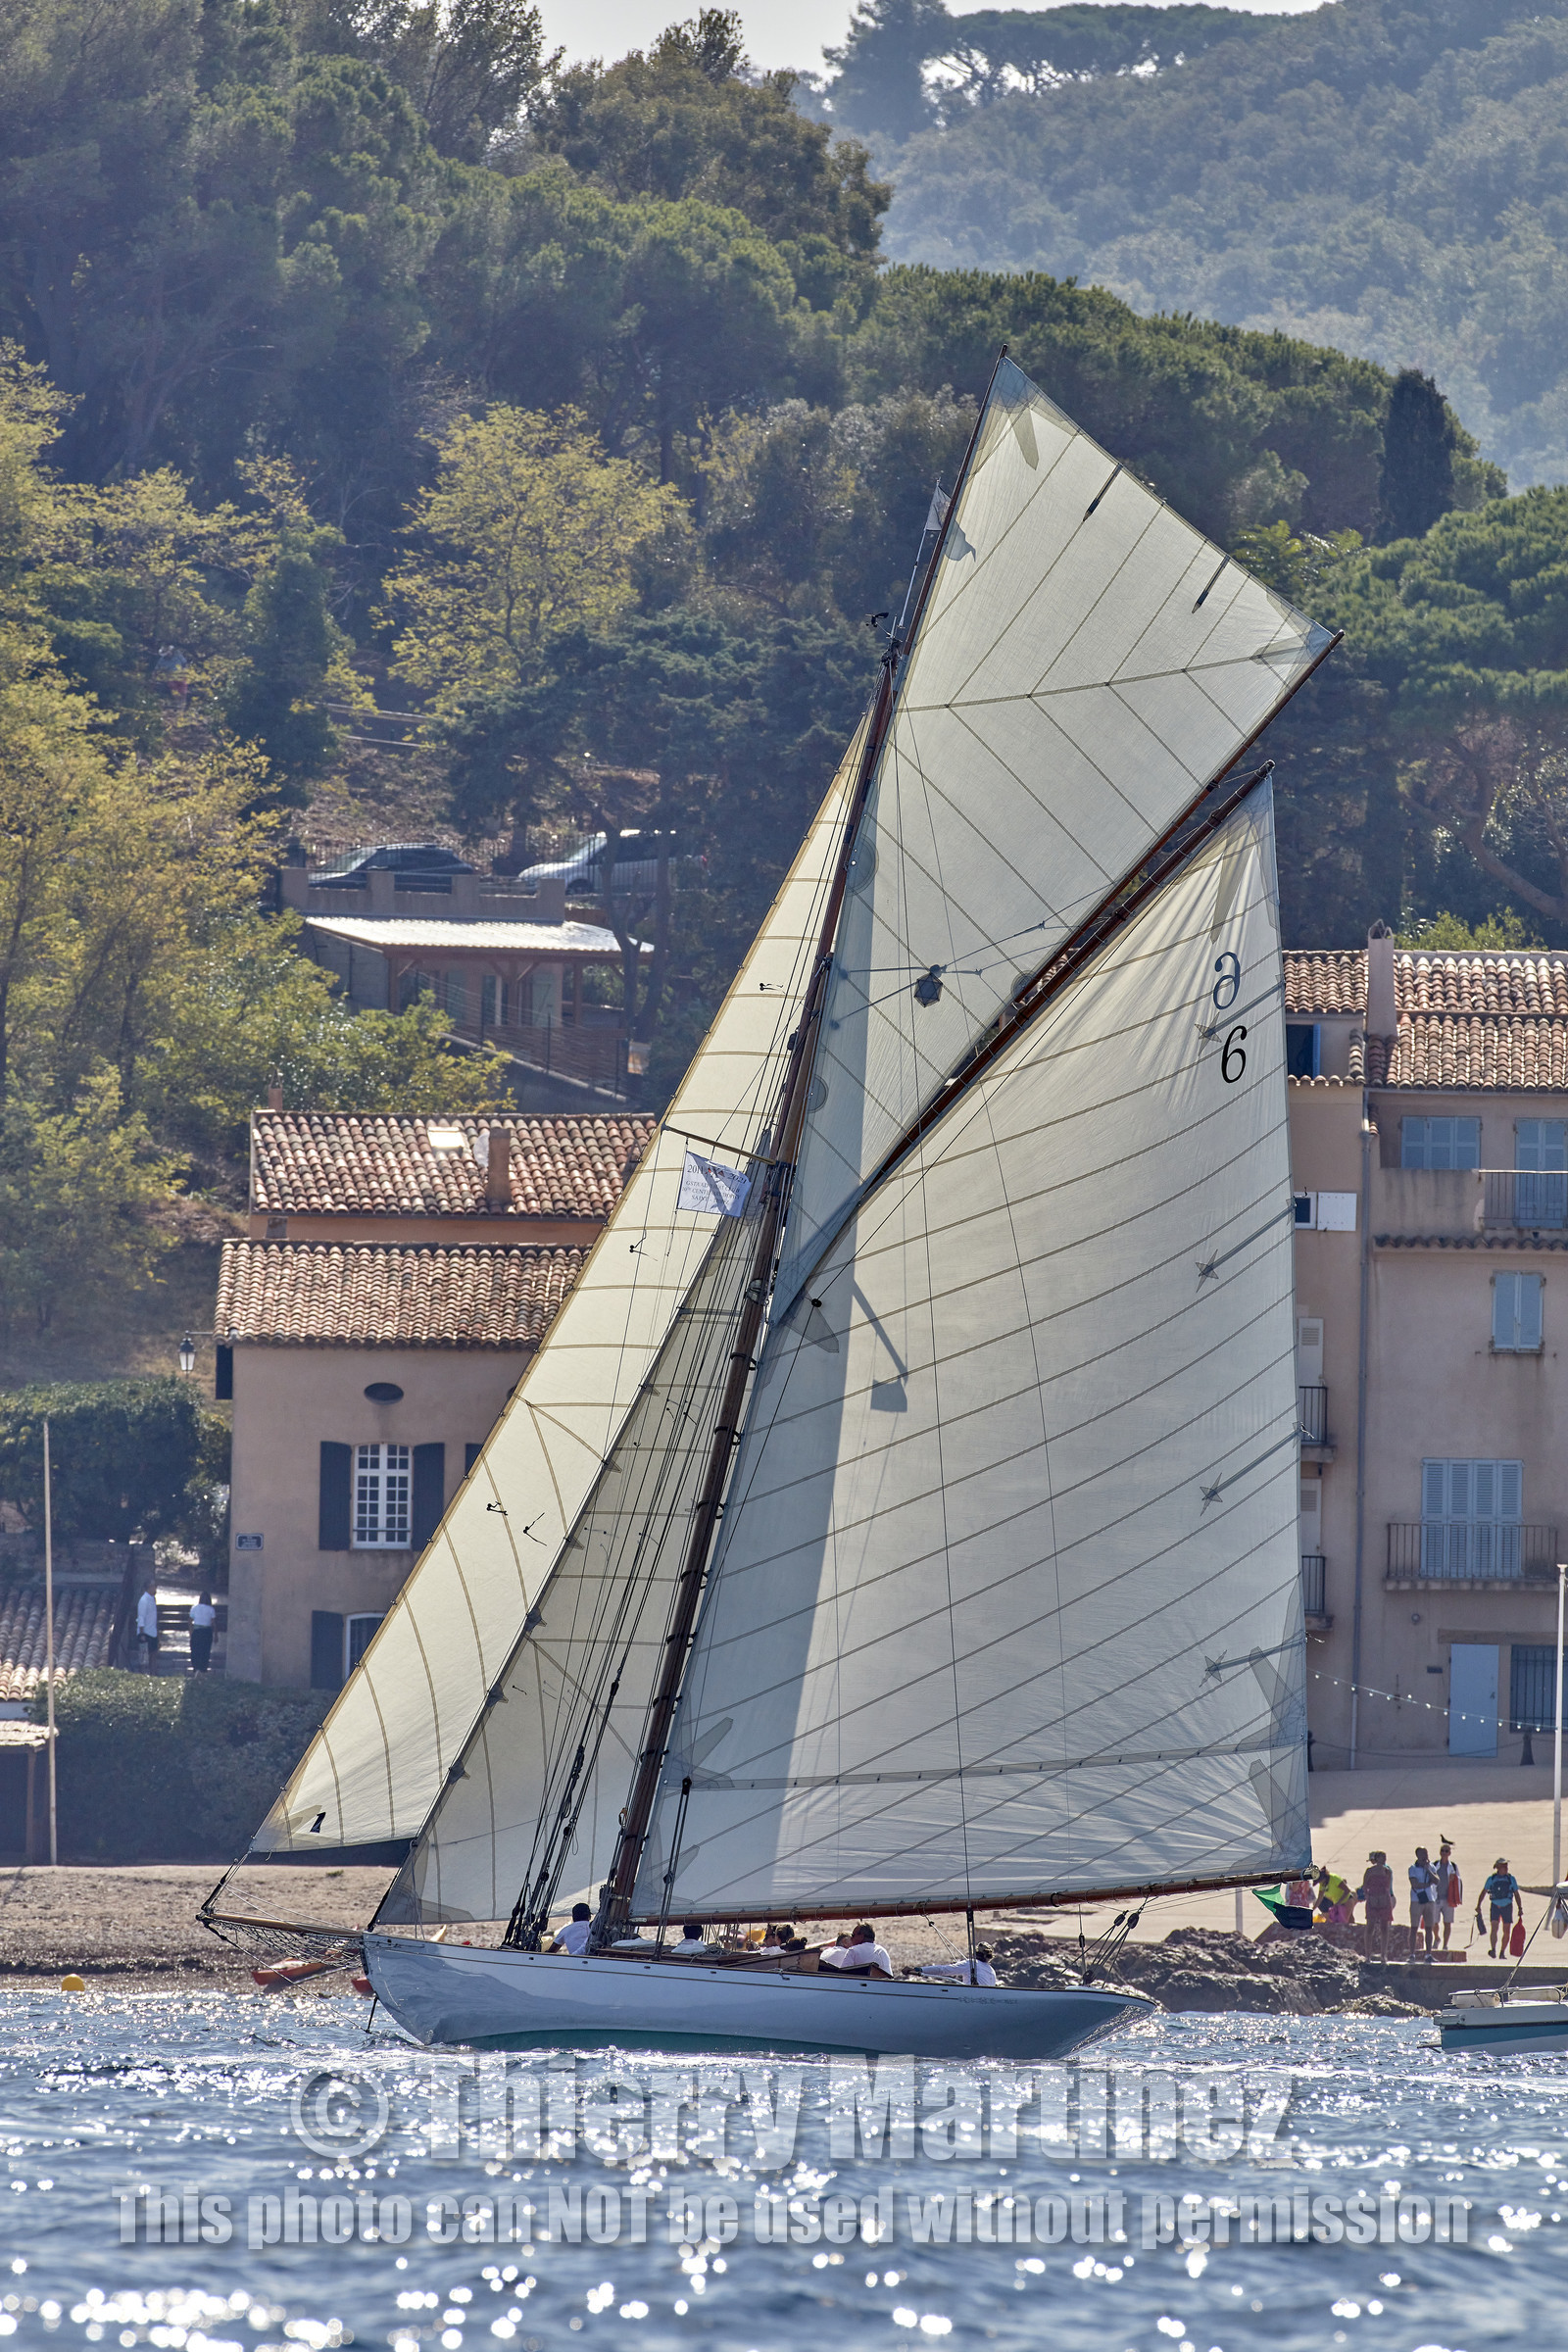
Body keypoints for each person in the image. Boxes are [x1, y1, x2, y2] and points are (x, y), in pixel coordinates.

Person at [1358, 1852, 1396, 1963]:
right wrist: (1369, 1896)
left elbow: (1388, 1886)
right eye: (1381, 1857)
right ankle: (1368, 1955)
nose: (1383, 1859)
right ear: (1376, 1859)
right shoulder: (1369, 1871)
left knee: (1384, 1927)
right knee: (1370, 1926)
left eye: (1385, 1857)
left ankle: (1383, 1955)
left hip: (1384, 1899)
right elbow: (1365, 1885)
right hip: (1373, 1899)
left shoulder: (1387, 1871)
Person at [820, 1923, 894, 1979]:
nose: (851, 1938)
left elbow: (843, 1976)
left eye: (853, 1935)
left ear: (861, 1936)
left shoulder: (853, 1951)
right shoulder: (882, 1950)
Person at [1483, 1858, 1523, 1959]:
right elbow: (1483, 1892)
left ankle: (1502, 1952)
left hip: (1507, 1906)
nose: (1506, 1868)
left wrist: (1520, 1908)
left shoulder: (1511, 1879)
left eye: (1506, 1866)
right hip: (1495, 1906)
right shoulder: (1491, 1879)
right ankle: (1493, 1949)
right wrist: (1478, 1905)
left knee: (1506, 1931)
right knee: (1494, 1928)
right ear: (1498, 1868)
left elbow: (1516, 1894)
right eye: (1503, 1866)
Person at [1408, 1845, 1443, 1957]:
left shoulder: (1431, 1866)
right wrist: (1427, 1884)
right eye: (1423, 1854)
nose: (1425, 1857)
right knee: (1414, 1927)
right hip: (1416, 1900)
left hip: (1430, 1899)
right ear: (1418, 1856)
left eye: (1426, 1854)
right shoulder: (1412, 1868)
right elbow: (1415, 1884)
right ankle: (1412, 1954)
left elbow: (1437, 1881)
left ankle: (1428, 1954)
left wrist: (1428, 1870)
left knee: (1429, 1927)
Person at [914, 1945, 999, 1986]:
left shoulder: (971, 1963)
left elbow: (943, 1970)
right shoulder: (992, 1970)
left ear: (975, 1953)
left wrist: (920, 1970)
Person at [1437, 1839, 1463, 1951]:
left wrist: (1454, 1878)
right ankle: (1436, 1938)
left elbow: (1459, 1882)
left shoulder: (1453, 1866)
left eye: (1446, 1851)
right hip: (1436, 1898)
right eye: (1442, 1851)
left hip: (1448, 1898)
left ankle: (1445, 1945)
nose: (1444, 1853)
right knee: (1434, 1922)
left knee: (1447, 1923)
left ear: (1449, 1853)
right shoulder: (1434, 1865)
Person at [188, 1592, 216, 1675]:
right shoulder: (211, 1609)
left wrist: (191, 1631)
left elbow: (189, 1621)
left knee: (195, 1650)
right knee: (205, 1651)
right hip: (207, 1631)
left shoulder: (194, 1608)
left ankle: (196, 1668)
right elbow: (213, 1623)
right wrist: (216, 1634)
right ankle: (203, 1669)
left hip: (197, 1631)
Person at [135, 1585, 160, 1671]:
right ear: (149, 1587)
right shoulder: (144, 1600)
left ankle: (153, 1674)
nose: (155, 1589)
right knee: (144, 1657)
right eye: (154, 1587)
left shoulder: (152, 1599)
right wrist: (142, 1633)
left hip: (152, 1632)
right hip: (145, 1632)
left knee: (153, 1655)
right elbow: (141, 1617)